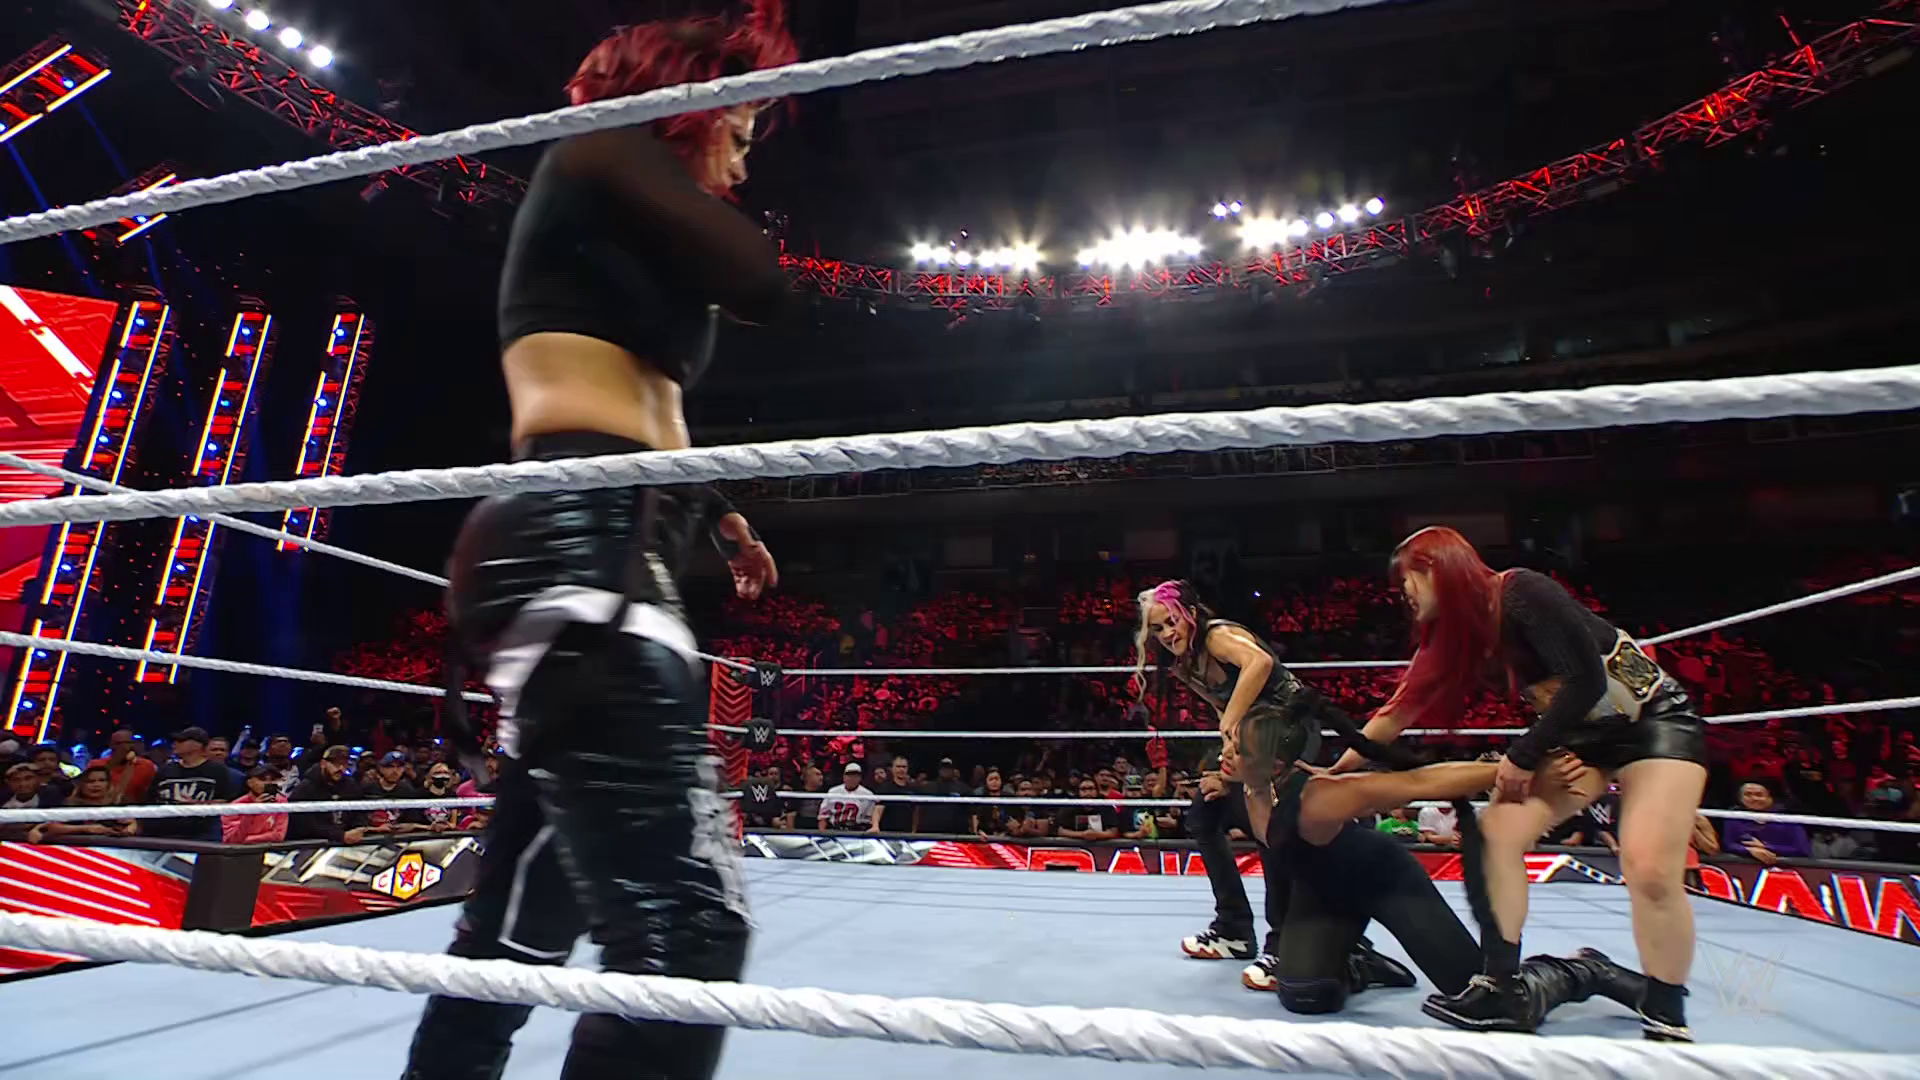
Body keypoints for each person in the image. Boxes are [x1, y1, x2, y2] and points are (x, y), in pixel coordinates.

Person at [402, 9, 796, 1073]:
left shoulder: (620, 218)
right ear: (686, 106)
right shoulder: (598, 145)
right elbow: (758, 280)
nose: (744, 162)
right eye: (738, 132)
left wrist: (724, 516)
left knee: (510, 944)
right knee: (687, 935)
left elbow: (649, 400)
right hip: (579, 545)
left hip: (610, 541)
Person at [1134, 579, 1640, 1022]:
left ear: (1269, 762)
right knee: (1304, 994)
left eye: (1233, 748)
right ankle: (1359, 959)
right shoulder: (1240, 791)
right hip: (1322, 891)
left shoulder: (1317, 799)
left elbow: (1420, 783)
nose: (1223, 751)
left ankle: (1582, 969)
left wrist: (1516, 769)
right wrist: (1228, 763)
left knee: (1475, 985)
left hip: (1378, 878)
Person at [1346, 527, 1706, 1041]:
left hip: (1655, 721)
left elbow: (1586, 679)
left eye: (1407, 579)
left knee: (1648, 866)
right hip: (1581, 740)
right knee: (1498, 831)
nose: (1403, 594)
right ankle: (1500, 987)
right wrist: (1336, 769)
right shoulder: (1452, 639)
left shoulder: (1519, 591)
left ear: (1436, 568)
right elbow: (1395, 714)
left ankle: (1666, 1014)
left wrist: (1524, 754)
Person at [147, 727, 239, 842]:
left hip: (203, 835)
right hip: (165, 833)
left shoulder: (217, 770)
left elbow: (225, 801)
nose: (175, 744)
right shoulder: (166, 770)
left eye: (181, 741)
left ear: (196, 745)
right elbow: (151, 800)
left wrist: (198, 805)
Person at [1720, 781, 1810, 864]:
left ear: (1770, 797)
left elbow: (1802, 850)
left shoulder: (1788, 819)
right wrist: (1749, 850)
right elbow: (1728, 845)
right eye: (1748, 794)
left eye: (1759, 795)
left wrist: (1766, 847)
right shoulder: (1734, 817)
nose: (1754, 798)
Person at [222, 765, 290, 845]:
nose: (268, 783)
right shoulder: (234, 807)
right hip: (242, 851)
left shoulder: (281, 802)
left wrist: (246, 840)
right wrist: (253, 810)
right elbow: (232, 840)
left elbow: (278, 836)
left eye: (272, 779)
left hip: (271, 849)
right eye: (263, 779)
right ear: (249, 783)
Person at [818, 763, 879, 832]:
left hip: (857, 829)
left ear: (860, 778)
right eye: (849, 775)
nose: (852, 779)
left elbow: (869, 818)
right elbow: (823, 815)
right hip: (835, 829)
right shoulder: (833, 792)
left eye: (855, 776)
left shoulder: (867, 794)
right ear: (844, 777)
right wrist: (822, 833)